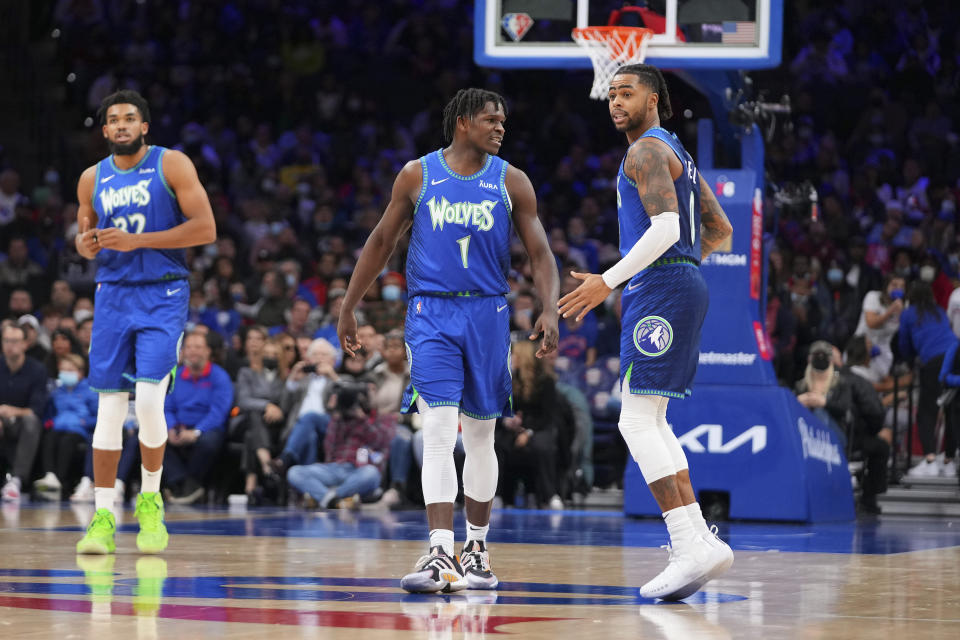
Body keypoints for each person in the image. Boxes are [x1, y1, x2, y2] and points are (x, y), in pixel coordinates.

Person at [338, 88, 560, 593]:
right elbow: (379, 241)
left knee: (481, 436)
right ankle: (440, 551)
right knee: (437, 429)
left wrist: (548, 307)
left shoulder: (512, 181)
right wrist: (349, 305)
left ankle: (477, 551)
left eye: (503, 120)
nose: (501, 128)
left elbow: (542, 253)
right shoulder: (418, 174)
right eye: (490, 119)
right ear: (462, 122)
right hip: (430, 312)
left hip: (488, 313)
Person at [558, 64, 733, 601]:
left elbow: (666, 229)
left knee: (635, 420)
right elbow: (720, 231)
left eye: (626, 92)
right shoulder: (676, 151)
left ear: (653, 100)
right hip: (676, 284)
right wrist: (682, 271)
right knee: (650, 416)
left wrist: (607, 282)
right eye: (611, 93)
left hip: (660, 289)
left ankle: (689, 543)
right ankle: (699, 538)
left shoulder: (647, 151)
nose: (615, 101)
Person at [74, 89, 217, 554]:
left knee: (151, 401)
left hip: (164, 291)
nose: (120, 125)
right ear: (104, 130)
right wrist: (86, 245)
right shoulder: (90, 178)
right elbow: (83, 233)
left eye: (129, 118)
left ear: (145, 126)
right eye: (113, 120)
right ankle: (102, 515)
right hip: (113, 295)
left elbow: (205, 228)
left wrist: (137, 241)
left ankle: (151, 504)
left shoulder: (171, 164)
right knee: (109, 408)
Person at [287, 379, 394, 509]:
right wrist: (335, 416)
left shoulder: (381, 418)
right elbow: (329, 447)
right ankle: (340, 499)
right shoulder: (338, 418)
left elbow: (379, 442)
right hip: (333, 468)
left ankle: (327, 497)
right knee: (294, 472)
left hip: (358, 470)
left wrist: (363, 420)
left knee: (372, 474)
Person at [162, 331, 233, 504]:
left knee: (208, 442)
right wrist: (171, 427)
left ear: (208, 351)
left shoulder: (219, 376)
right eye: (189, 347)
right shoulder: (176, 376)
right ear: (183, 351)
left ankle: (185, 485)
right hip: (179, 426)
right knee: (154, 438)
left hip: (207, 428)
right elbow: (167, 407)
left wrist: (196, 432)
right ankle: (184, 483)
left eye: (198, 347)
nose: (193, 351)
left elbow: (219, 411)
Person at [899, 282, 957, 477]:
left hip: (934, 362)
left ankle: (931, 460)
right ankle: (950, 461)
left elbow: (904, 344)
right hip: (955, 356)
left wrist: (909, 362)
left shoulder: (909, 313)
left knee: (926, 411)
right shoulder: (939, 311)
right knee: (952, 410)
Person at [34, 354, 99, 500]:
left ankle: (62, 481)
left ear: (80, 372)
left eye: (70, 370)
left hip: (79, 430)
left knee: (66, 442)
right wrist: (48, 422)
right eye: (63, 370)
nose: (65, 373)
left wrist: (85, 422)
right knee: (49, 438)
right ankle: (50, 476)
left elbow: (98, 416)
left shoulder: (90, 390)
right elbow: (48, 413)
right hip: (58, 427)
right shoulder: (57, 392)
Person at [0, 322, 47, 501]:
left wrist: (12, 411)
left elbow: (37, 410)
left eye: (15, 341)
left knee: (31, 421)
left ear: (25, 344)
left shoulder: (37, 370)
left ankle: (16, 480)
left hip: (22, 423)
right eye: (6, 341)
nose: (10, 345)